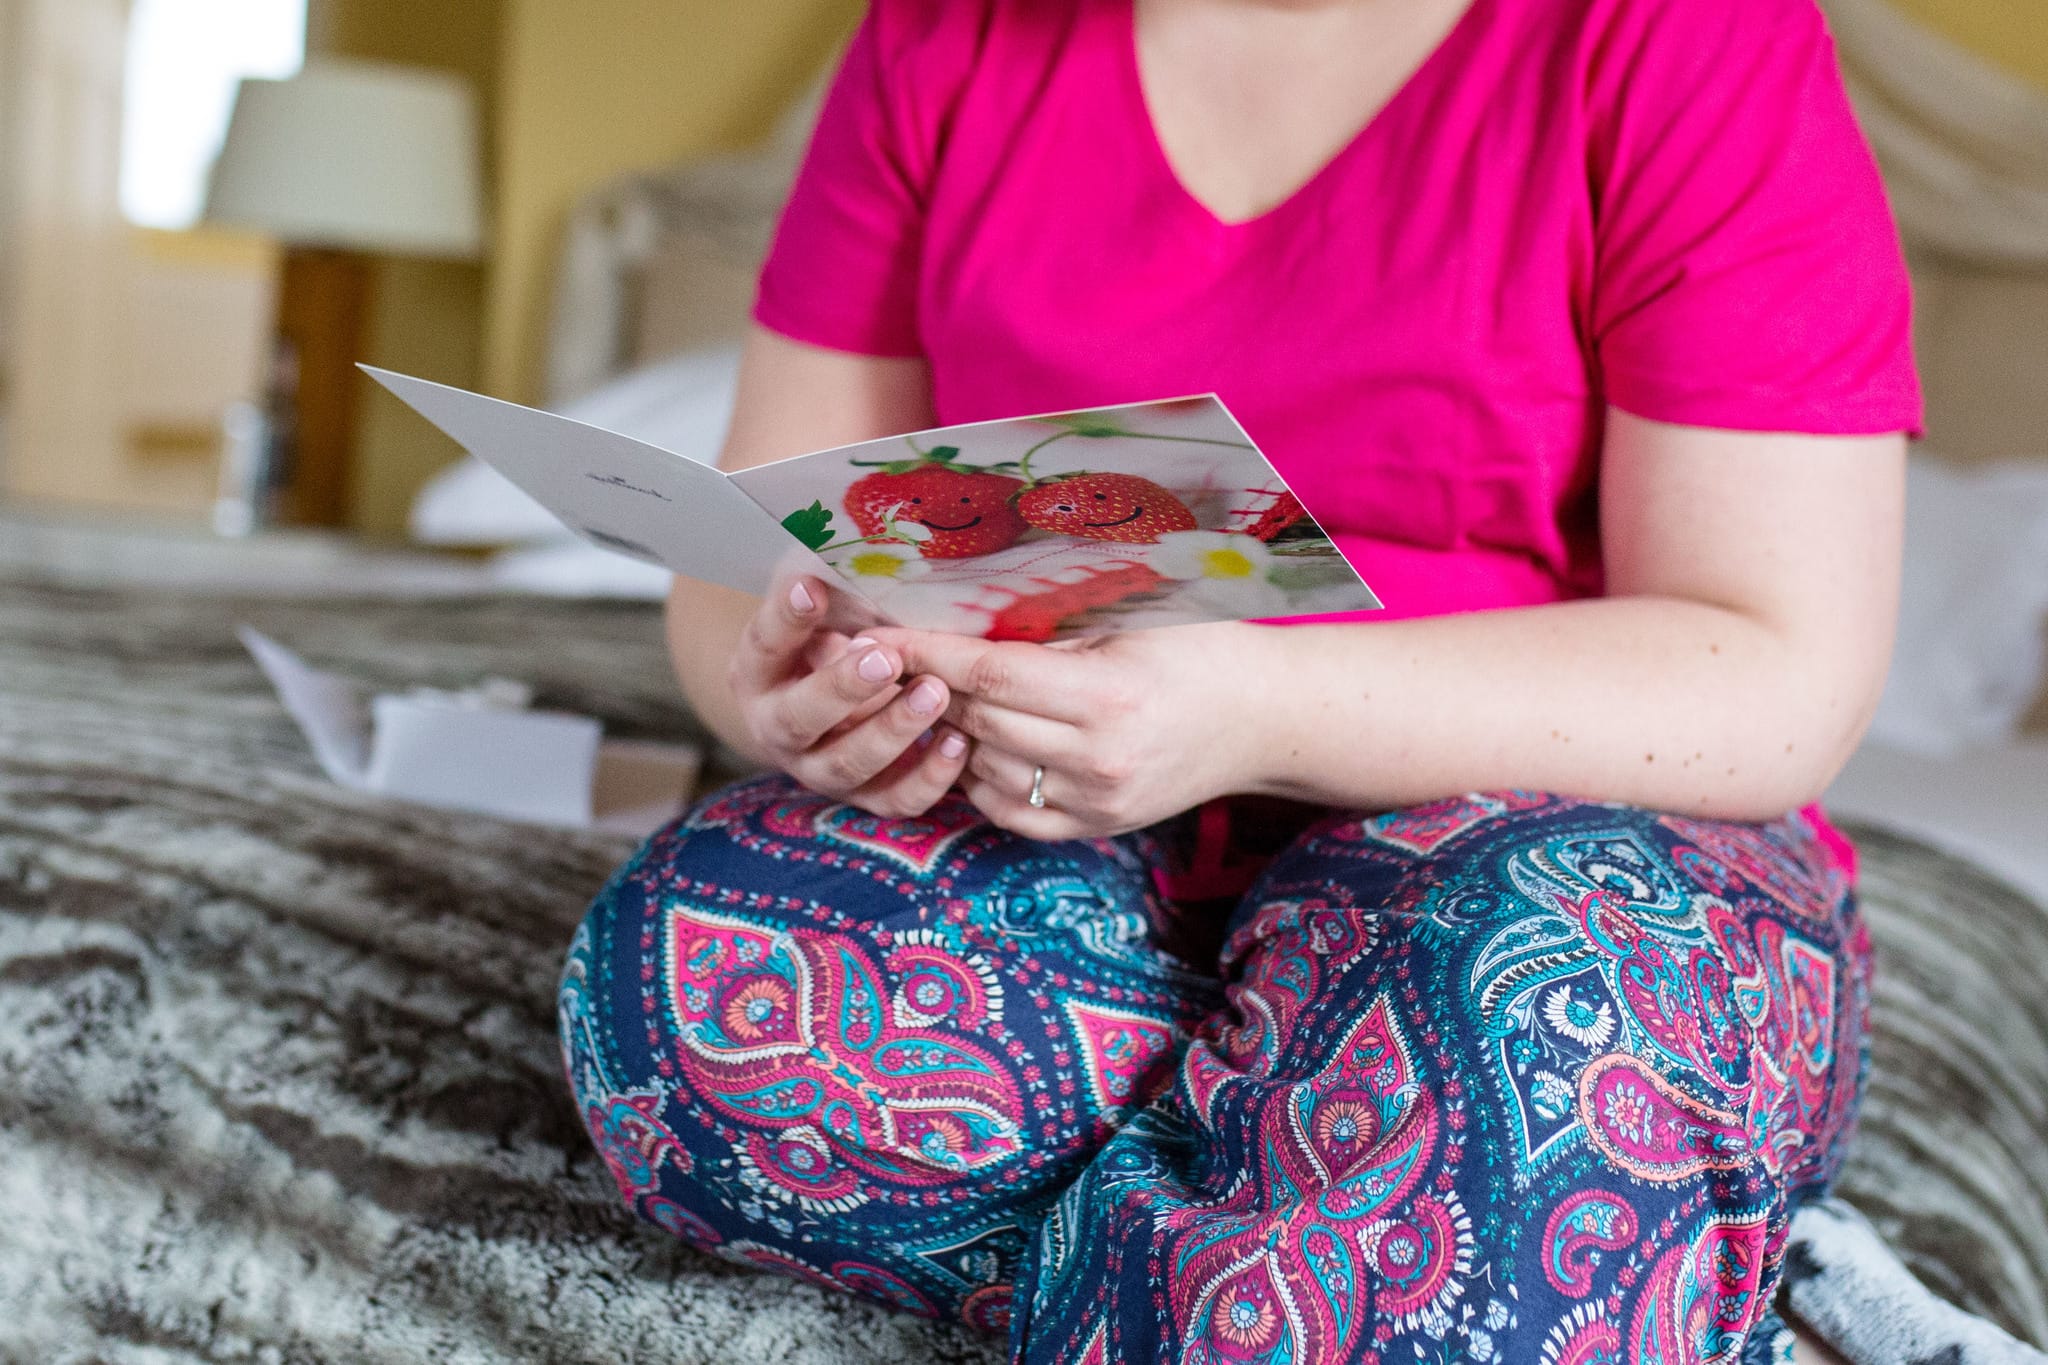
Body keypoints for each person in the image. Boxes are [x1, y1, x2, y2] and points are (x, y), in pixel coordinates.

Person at [556, 0, 1917, 1358]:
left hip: (1555, 840)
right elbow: (749, 558)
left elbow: (1774, 662)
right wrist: (792, 699)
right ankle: (1464, 1257)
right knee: (689, 968)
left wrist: (1256, 707)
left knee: (1524, 1020)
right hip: (1082, 818)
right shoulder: (942, 33)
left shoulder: (1685, 37)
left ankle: (1452, 1215)